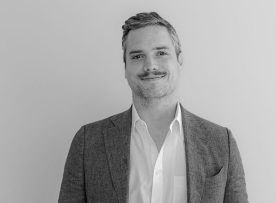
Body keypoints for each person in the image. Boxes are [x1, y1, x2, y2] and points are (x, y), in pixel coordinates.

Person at [58, 12, 248, 203]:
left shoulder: (221, 142)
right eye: (138, 56)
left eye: (161, 53)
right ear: (125, 68)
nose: (150, 65)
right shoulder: (88, 142)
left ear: (179, 60)